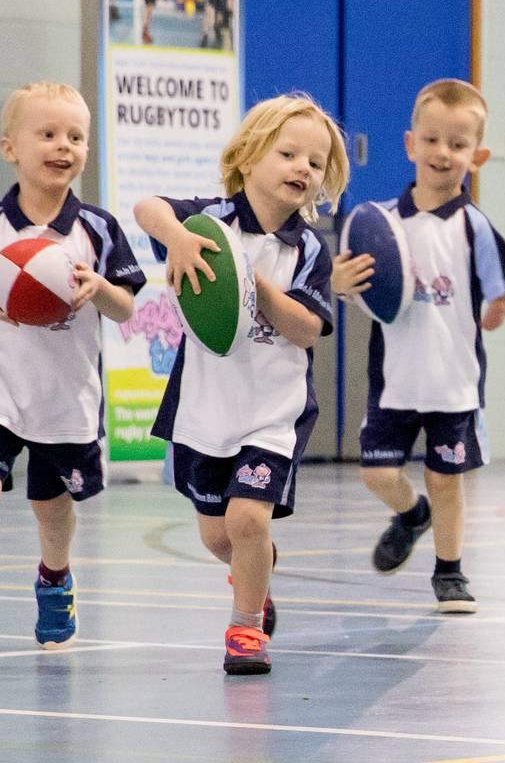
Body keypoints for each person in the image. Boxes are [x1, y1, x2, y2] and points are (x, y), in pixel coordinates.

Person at [134, 93, 348, 674]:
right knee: (217, 536)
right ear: (249, 157)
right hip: (205, 410)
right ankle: (258, 574)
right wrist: (177, 240)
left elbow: (306, 329)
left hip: (272, 414)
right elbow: (146, 207)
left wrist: (252, 286)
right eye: (289, 153)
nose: (303, 167)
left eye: (316, 161)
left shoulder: (307, 250)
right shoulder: (210, 223)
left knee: (247, 519)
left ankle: (245, 629)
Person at [0, 83, 143, 649]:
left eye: (75, 136)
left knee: (51, 507)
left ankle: (54, 580)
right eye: (47, 134)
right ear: (10, 149)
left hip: (66, 398)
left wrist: (98, 288)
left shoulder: (96, 228)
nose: (63, 146)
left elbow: (126, 306)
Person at [331, 79, 505, 615]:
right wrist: (340, 283)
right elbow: (355, 290)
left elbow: (502, 289)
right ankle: (411, 514)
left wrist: (498, 308)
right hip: (394, 380)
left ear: (478, 156)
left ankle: (450, 571)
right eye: (433, 139)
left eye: (459, 144)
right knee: (376, 472)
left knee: (447, 480)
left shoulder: (476, 228)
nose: (444, 153)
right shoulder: (377, 223)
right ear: (410, 144)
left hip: (453, 381)